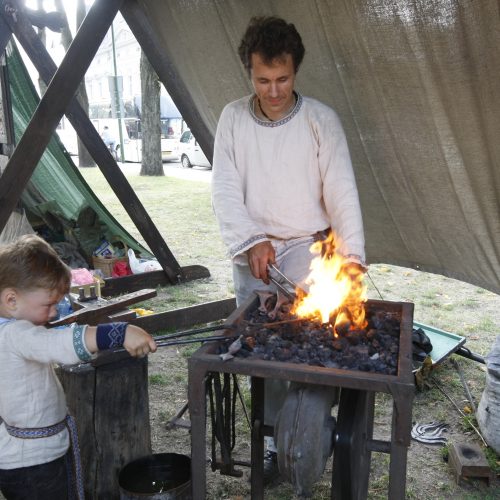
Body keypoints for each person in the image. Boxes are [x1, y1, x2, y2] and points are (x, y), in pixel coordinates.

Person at [212, 16, 366, 482]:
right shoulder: (234, 118)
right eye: (263, 80)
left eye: (282, 79)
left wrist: (353, 258)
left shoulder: (321, 120)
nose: (273, 90)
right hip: (253, 252)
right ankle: (272, 445)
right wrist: (251, 240)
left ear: (295, 71)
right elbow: (223, 190)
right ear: (249, 72)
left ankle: (303, 441)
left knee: (305, 349)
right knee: (263, 354)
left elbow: (342, 191)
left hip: (307, 250)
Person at [0, 234, 157, 499]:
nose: (53, 314)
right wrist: (118, 333)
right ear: (11, 300)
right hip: (33, 465)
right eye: (48, 305)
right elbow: (57, 344)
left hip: (25, 456)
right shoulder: (15, 335)